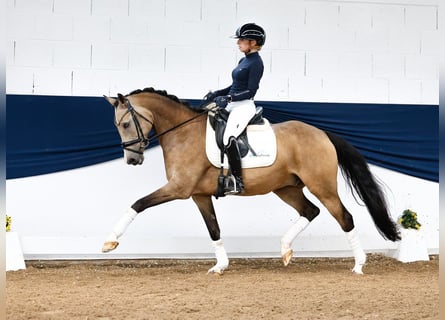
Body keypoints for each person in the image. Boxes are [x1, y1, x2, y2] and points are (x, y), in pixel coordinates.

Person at [204, 23, 265, 195]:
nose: (238, 42)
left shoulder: (256, 63)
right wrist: (218, 93)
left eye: (242, 40)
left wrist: (229, 98)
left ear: (253, 42)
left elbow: (251, 91)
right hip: (231, 103)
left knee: (228, 137)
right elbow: (235, 86)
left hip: (244, 107)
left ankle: (237, 181)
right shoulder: (243, 60)